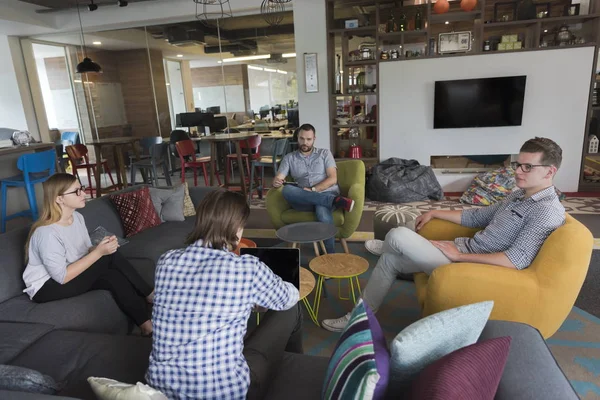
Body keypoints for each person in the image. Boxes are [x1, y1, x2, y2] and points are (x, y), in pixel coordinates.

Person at [323, 137, 566, 332]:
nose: (518, 171)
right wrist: (435, 212)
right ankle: (358, 317)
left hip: (473, 268)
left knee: (397, 235)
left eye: (527, 167)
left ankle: (389, 244)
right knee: (389, 260)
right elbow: (477, 217)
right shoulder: (518, 195)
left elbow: (513, 261)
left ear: (549, 171)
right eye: (518, 164)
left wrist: (459, 257)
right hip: (463, 251)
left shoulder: (545, 211)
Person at [146, 189, 303, 400]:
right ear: (236, 227)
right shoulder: (246, 268)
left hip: (160, 387)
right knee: (292, 309)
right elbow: (289, 296)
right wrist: (255, 294)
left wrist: (244, 298)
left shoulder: (166, 261)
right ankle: (294, 373)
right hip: (221, 392)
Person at [23, 173, 153, 336]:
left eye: (82, 189)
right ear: (59, 199)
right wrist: (100, 253)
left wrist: (101, 247)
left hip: (68, 272)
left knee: (113, 276)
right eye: (76, 191)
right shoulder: (47, 233)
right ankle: (150, 294)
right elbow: (61, 277)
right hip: (47, 287)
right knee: (109, 257)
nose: (84, 194)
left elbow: (86, 251)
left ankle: (146, 326)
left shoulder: (77, 217)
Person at [273, 123, 355, 254]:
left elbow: (333, 179)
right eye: (301, 139)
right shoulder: (289, 158)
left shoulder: (324, 153)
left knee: (322, 211)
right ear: (297, 138)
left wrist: (313, 190)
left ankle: (330, 255)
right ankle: (334, 201)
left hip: (324, 192)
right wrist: (277, 181)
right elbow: (278, 177)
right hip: (303, 201)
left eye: (308, 139)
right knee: (287, 189)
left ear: (314, 139)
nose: (305, 142)